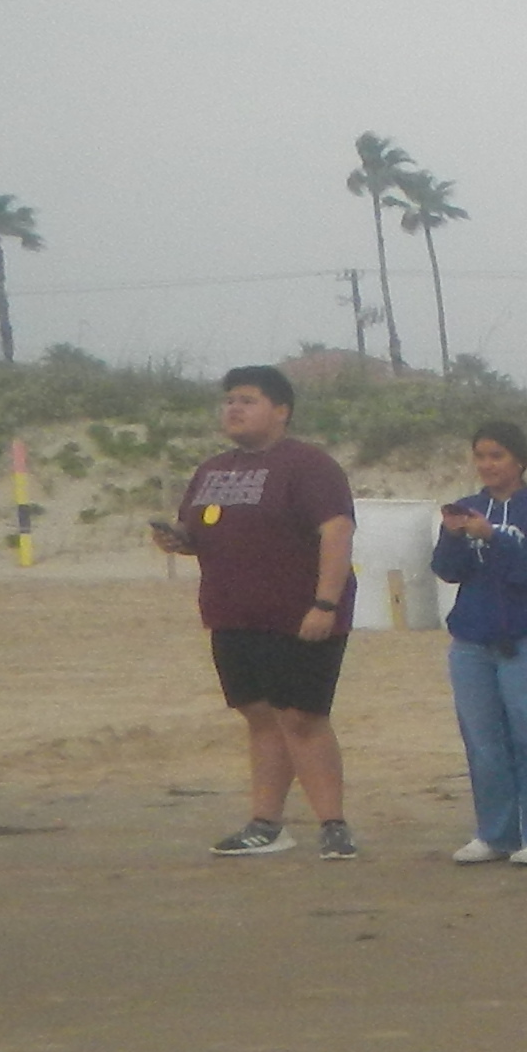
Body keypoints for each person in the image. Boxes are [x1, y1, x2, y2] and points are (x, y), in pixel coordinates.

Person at [153, 364, 358, 858]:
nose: (234, 409)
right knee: (259, 716)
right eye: (229, 400)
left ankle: (333, 824)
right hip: (232, 614)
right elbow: (199, 535)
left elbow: (337, 532)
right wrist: (177, 540)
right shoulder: (212, 470)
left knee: (303, 717)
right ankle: (265, 823)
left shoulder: (308, 465)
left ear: (281, 411)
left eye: (247, 400)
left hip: (299, 615)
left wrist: (324, 603)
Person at [428, 418, 527, 867]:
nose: (487, 464)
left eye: (497, 455)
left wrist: (493, 539)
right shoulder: (469, 506)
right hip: (472, 640)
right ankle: (496, 833)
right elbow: (447, 570)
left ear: (519, 460)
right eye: (481, 456)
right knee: (483, 740)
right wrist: (453, 536)